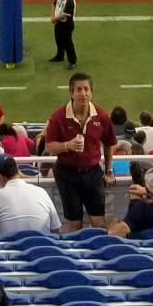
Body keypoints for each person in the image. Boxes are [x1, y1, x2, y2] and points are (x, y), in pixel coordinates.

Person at [42, 70, 111, 230]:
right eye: (78, 89)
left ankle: (100, 253)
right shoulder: (58, 116)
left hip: (93, 173)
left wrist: (108, 170)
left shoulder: (101, 116)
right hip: (67, 174)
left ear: (91, 92)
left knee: (99, 221)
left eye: (86, 89)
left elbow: (109, 144)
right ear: (71, 93)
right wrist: (68, 145)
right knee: (74, 223)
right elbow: (49, 146)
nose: (83, 93)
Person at [0, 153, 61, 235]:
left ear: (0, 176)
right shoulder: (41, 191)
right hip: (40, 245)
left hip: (11, 246)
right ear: (17, 170)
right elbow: (56, 230)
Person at [49, 0, 78, 66]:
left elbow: (64, 15)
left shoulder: (70, 1)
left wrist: (54, 19)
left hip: (66, 25)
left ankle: (72, 61)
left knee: (68, 43)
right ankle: (60, 56)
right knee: (58, 40)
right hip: (58, 23)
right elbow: (54, 4)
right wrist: (53, 15)